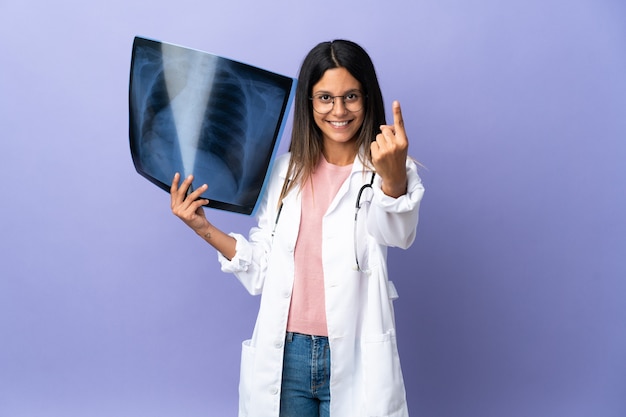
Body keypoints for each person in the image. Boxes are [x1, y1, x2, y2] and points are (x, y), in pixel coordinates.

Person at [170, 39, 425, 417]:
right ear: (308, 102)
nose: (338, 110)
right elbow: (261, 271)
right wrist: (202, 228)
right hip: (286, 355)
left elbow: (398, 235)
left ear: (368, 99)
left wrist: (391, 181)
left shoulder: (387, 172)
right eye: (325, 97)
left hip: (354, 352)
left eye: (351, 96)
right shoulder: (285, 173)